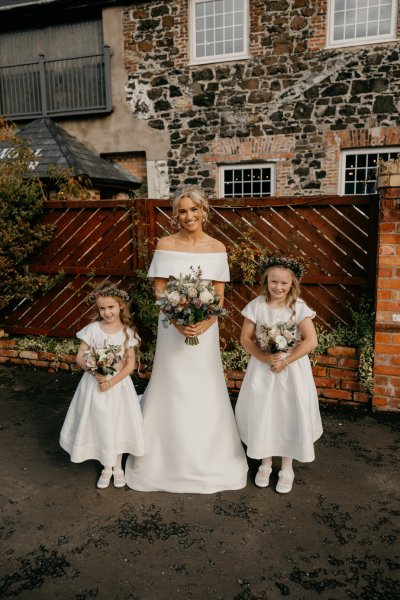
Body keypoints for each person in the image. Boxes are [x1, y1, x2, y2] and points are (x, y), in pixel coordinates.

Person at [125, 185, 248, 493]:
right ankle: (163, 456)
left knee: (204, 385)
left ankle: (210, 455)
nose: (189, 216)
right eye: (182, 210)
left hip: (205, 331)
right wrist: (177, 321)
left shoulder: (217, 247)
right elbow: (159, 289)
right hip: (172, 328)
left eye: (194, 209)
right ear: (175, 214)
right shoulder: (165, 244)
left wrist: (203, 324)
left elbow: (218, 295)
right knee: (172, 383)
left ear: (204, 210)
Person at [235, 255, 323, 494]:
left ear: (292, 284)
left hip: (291, 371)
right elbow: (245, 338)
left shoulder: (298, 307)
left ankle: (286, 467)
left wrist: (286, 360)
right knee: (265, 412)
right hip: (263, 371)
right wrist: (264, 358)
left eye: (284, 283)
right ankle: (265, 463)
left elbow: (311, 341)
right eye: (274, 282)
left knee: (288, 413)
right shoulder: (256, 306)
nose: (279, 287)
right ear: (266, 281)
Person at [59, 283, 144, 489]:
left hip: (118, 387)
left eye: (111, 307)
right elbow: (80, 356)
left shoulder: (127, 333)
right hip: (94, 385)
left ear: (120, 306)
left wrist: (112, 381)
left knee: (118, 422)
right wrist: (94, 372)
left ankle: (118, 467)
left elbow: (130, 364)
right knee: (101, 423)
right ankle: (107, 467)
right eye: (102, 309)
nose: (107, 312)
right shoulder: (93, 330)